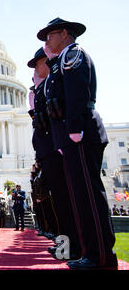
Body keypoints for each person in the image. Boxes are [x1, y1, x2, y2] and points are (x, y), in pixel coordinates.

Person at [38, 18, 118, 269]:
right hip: (72, 137)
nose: (46, 42)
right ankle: (90, 252)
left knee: (89, 197)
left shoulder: (73, 55)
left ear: (64, 33)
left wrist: (74, 130)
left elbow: (77, 93)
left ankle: (101, 257)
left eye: (49, 36)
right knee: (79, 199)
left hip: (80, 133)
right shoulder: (60, 61)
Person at [28, 47, 82, 259]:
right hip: (48, 150)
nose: (35, 70)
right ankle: (67, 247)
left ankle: (77, 248)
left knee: (68, 202)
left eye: (37, 65)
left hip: (57, 147)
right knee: (61, 203)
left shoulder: (55, 80)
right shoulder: (44, 88)